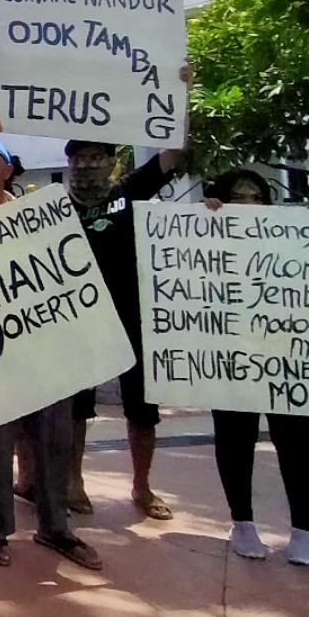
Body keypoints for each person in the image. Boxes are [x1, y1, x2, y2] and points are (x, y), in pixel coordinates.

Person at [0, 134, 101, 571]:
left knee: (53, 437)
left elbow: (62, 268)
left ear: (8, 170)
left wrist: (7, 225)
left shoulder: (42, 214)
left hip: (43, 350)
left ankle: (55, 526)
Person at [204, 171, 309, 565]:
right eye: (237, 197)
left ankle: (304, 530)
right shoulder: (203, 235)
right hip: (231, 356)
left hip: (286, 356)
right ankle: (242, 524)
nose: (247, 205)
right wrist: (203, 220)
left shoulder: (288, 236)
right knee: (235, 440)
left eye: (255, 197)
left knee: (299, 445)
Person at [58, 138, 185, 521]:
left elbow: (174, 153)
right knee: (76, 408)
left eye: (95, 157)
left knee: (142, 407)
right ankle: (73, 481)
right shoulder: (53, 207)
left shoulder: (129, 191)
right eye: (78, 158)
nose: (85, 165)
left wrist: (183, 89)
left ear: (111, 161)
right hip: (80, 320)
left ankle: (142, 485)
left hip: (133, 315)